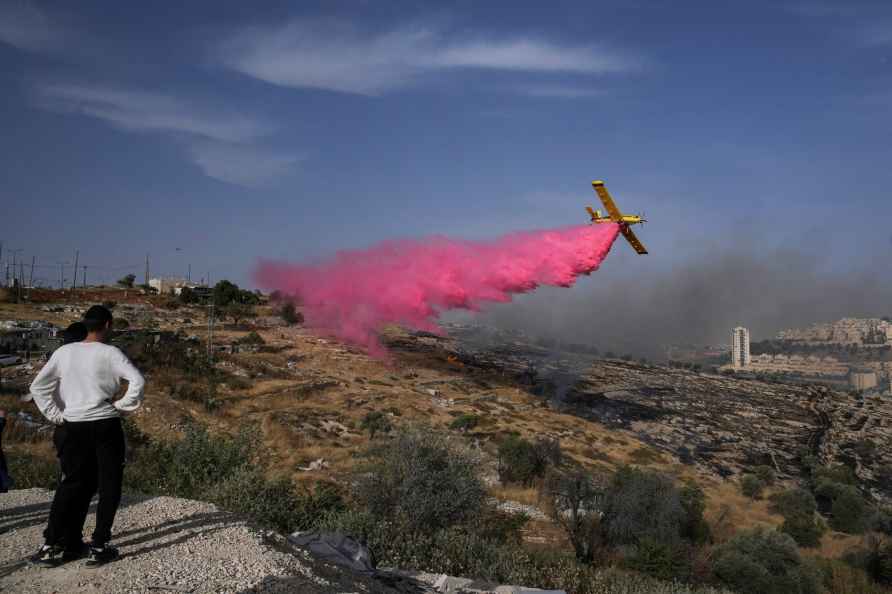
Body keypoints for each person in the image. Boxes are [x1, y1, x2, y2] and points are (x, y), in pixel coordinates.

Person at [28, 306, 144, 567]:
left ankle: (50, 546)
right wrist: (122, 407)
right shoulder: (111, 352)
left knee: (71, 484)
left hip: (74, 425)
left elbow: (38, 386)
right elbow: (137, 381)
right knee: (109, 484)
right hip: (105, 423)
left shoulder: (64, 352)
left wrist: (56, 415)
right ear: (108, 324)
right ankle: (100, 545)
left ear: (85, 324)